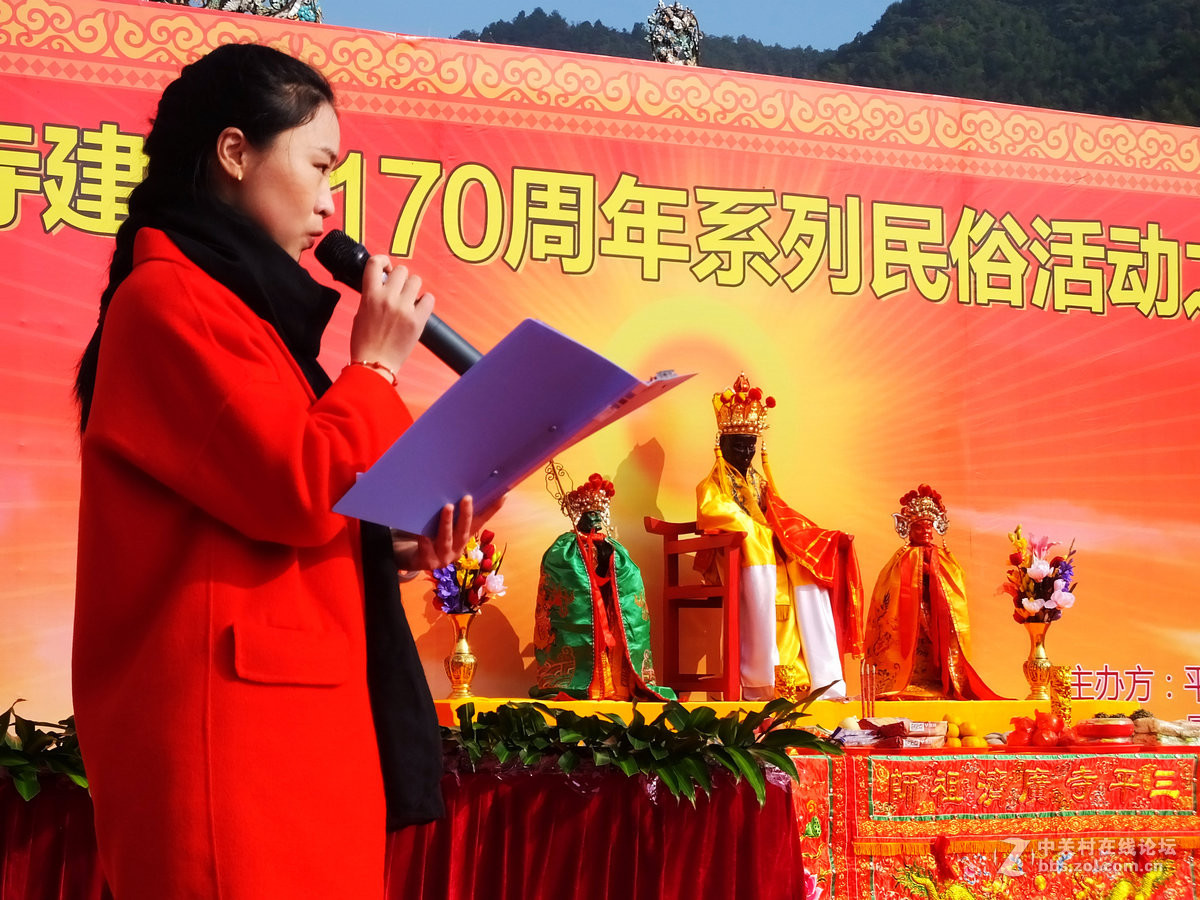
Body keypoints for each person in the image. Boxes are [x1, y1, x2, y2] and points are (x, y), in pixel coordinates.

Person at [71, 43, 486, 899]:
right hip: (229, 752)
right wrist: (371, 370)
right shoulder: (164, 301)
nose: (332, 204)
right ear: (234, 153)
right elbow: (295, 486)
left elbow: (297, 502)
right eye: (320, 164)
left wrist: (389, 545)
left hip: (293, 735)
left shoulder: (242, 315)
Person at [695, 374, 863, 702]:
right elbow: (715, 513)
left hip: (769, 554)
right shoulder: (712, 485)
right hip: (738, 555)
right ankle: (761, 679)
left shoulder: (759, 483)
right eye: (738, 445)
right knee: (772, 564)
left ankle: (816, 676)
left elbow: (781, 514)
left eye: (750, 446)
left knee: (805, 567)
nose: (745, 452)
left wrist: (813, 538)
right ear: (722, 444)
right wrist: (762, 534)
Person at [533, 473, 675, 700]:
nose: (594, 520)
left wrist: (609, 557)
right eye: (589, 515)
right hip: (585, 613)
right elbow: (559, 581)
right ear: (580, 516)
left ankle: (618, 687)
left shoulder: (615, 547)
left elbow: (630, 578)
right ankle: (583, 685)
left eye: (597, 515)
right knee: (584, 635)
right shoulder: (564, 548)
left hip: (609, 609)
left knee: (615, 641)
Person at [862, 484, 1003, 700]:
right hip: (909, 615)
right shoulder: (901, 559)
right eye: (919, 527)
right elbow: (889, 590)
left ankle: (942, 681)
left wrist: (935, 575)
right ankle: (907, 681)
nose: (926, 532)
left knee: (938, 645)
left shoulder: (944, 557)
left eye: (929, 527)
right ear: (908, 530)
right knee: (909, 646)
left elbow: (956, 583)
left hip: (937, 614)